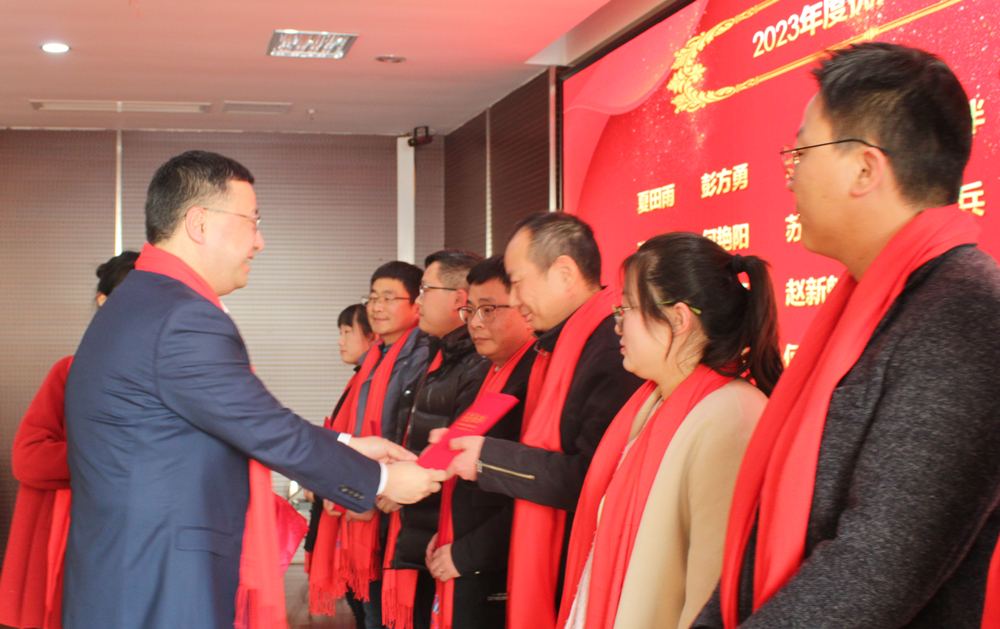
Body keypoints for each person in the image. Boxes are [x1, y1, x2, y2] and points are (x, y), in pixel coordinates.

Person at [62, 150, 445, 629]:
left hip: (132, 567)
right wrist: (381, 481)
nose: (259, 242)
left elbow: (242, 419)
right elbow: (263, 427)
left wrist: (348, 444)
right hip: (160, 578)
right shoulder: (182, 316)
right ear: (199, 223)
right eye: (252, 222)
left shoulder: (144, 299)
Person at [692, 43, 1000, 629]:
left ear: (865, 169)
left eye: (802, 152)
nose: (790, 176)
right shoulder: (863, 305)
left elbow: (875, 568)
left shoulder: (968, 313)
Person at [556, 234, 782, 629]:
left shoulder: (732, 416)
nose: (618, 323)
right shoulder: (654, 403)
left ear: (678, 319)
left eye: (627, 307)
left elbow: (710, 597)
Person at [446, 212, 645, 629]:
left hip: (583, 566)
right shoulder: (560, 346)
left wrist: (487, 458)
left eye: (518, 282)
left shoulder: (612, 350)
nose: (515, 299)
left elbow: (593, 476)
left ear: (565, 273)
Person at [0, 250, 138, 629]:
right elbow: (27, 457)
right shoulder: (70, 372)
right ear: (104, 302)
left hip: (143, 548)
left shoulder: (174, 379)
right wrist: (110, 459)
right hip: (75, 548)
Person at [310, 260, 434, 629]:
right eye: (373, 298)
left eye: (389, 298)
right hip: (374, 492)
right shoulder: (377, 357)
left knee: (387, 614)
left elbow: (410, 431)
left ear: (416, 303)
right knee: (370, 611)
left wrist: (369, 487)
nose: (377, 307)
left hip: (398, 497)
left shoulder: (424, 355)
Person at [425, 254, 538, 629]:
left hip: (492, 564)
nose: (475, 323)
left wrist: (467, 552)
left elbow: (527, 490)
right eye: (470, 310)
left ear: (524, 305)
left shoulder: (534, 379)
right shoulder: (491, 373)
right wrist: (448, 533)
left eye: (488, 310)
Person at [380, 250, 489, 629]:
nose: (418, 301)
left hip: (441, 521)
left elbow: (458, 445)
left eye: (425, 290)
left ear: (459, 298)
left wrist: (404, 486)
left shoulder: (476, 361)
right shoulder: (435, 354)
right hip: (418, 514)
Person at [303, 303, 377, 627]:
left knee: (369, 610)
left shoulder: (371, 381)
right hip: (343, 502)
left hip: (362, 507)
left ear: (372, 336)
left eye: (348, 331)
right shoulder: (359, 380)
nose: (340, 340)